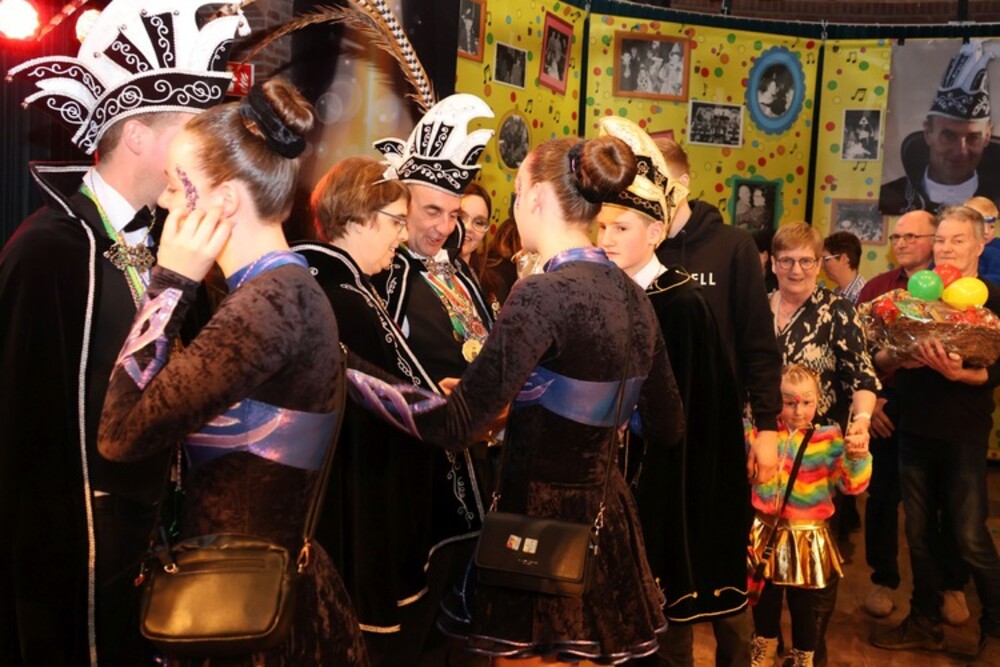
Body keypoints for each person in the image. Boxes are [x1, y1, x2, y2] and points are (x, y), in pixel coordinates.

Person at [348, 134, 684, 665]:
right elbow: (667, 425)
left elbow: (456, 425)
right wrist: (595, 409)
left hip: (538, 527)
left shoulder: (542, 293)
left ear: (537, 196)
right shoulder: (633, 296)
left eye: (517, 191)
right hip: (608, 520)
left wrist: (348, 366)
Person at [0, 1, 249, 662]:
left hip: (154, 536)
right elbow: (23, 438)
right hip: (78, 556)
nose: (208, 154)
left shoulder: (163, 243)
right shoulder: (50, 251)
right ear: (137, 135)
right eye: (193, 132)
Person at [97, 78, 368, 666]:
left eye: (177, 186)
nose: (166, 202)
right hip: (257, 588)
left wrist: (169, 284)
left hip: (244, 609)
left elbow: (119, 435)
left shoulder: (265, 306)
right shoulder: (282, 288)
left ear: (221, 200)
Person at [595, 117, 749, 667]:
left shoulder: (681, 305)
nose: (606, 239)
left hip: (664, 489)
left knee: (662, 631)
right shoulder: (604, 292)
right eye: (602, 226)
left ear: (656, 232)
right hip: (609, 486)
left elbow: (695, 420)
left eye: (621, 228)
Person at [291, 155, 441, 661]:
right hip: (348, 490)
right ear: (356, 218)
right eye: (396, 221)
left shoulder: (331, 280)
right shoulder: (344, 295)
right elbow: (393, 404)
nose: (403, 235)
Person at [371, 93, 497, 665]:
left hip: (475, 470)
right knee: (414, 627)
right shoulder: (384, 272)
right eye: (432, 212)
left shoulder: (459, 270)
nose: (446, 227)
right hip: (415, 480)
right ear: (401, 201)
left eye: (454, 215)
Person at [871, 206, 1000, 665]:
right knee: (919, 535)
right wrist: (896, 358)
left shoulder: (993, 300)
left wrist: (961, 374)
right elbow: (879, 357)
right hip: (914, 429)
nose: (946, 248)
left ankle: (995, 631)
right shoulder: (914, 298)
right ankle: (925, 622)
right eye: (941, 240)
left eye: (957, 240)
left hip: (963, 433)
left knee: (969, 536)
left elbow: (995, 371)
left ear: (981, 244)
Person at [855, 210, 971, 623]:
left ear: (934, 241)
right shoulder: (878, 288)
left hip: (939, 410)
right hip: (886, 406)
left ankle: (950, 586)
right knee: (883, 497)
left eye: (912, 236)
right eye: (897, 237)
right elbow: (857, 351)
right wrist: (873, 400)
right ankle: (883, 580)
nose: (901, 243)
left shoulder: (956, 291)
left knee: (944, 504)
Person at [655, 138, 781, 505]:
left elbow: (758, 344)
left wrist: (767, 429)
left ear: (682, 184)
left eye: (657, 182)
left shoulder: (733, 247)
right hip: (650, 423)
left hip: (716, 423)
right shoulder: (640, 247)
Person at [748, 364, 872, 667]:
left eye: (807, 402)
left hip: (807, 535)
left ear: (819, 401)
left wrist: (857, 457)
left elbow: (851, 486)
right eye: (789, 402)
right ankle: (764, 649)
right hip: (766, 530)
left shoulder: (829, 440)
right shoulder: (761, 435)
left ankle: (804, 657)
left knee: (804, 604)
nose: (798, 410)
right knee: (764, 598)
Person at [879, 40, 1000, 215]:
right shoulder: (890, 195)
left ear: (987, 136)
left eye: (973, 138)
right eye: (949, 136)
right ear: (929, 132)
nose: (960, 152)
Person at [821, 231, 866, 303]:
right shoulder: (835, 293)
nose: (822, 265)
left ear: (844, 259)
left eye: (826, 259)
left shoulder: (864, 295)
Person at [967, 195, 1000, 284]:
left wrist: (974, 280)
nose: (986, 231)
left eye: (991, 227)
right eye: (981, 226)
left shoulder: (994, 250)